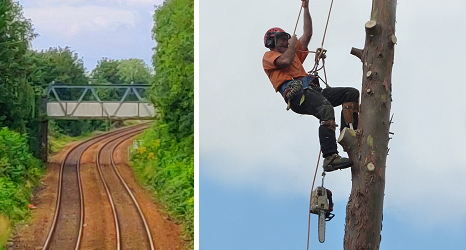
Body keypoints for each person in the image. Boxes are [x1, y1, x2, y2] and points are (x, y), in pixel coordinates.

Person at [262, 0, 359, 172]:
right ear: (272, 43)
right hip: (299, 95)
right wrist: (292, 45)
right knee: (326, 110)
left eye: (287, 39)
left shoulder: (295, 54)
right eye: (282, 40)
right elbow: (285, 61)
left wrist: (306, 9)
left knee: (350, 94)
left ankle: (349, 132)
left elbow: (307, 34)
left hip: (313, 91)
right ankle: (330, 158)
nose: (286, 42)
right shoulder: (269, 56)